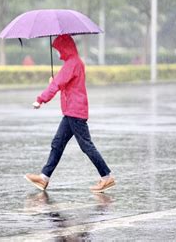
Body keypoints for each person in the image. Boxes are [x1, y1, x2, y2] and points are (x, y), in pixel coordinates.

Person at [25, 34, 115, 193]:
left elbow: (58, 84)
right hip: (71, 111)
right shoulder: (74, 62)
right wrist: (55, 82)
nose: (58, 53)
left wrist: (41, 99)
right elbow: (65, 84)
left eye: (59, 49)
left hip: (75, 111)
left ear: (65, 48)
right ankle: (44, 177)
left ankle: (107, 177)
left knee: (86, 145)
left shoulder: (71, 64)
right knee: (57, 143)